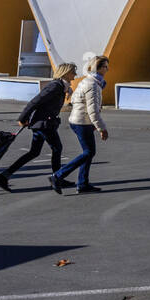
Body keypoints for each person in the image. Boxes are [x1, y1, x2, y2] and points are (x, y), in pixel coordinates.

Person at [0, 63, 76, 191]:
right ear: (65, 73)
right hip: (44, 124)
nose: (75, 75)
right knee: (57, 148)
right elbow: (35, 101)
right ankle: (58, 178)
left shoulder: (62, 87)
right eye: (73, 72)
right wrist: (22, 118)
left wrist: (67, 91)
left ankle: (3, 176)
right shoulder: (55, 86)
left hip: (43, 123)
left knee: (34, 152)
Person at [52, 55, 110, 195]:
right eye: (106, 67)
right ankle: (58, 176)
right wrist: (102, 128)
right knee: (89, 152)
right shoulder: (93, 85)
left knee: (88, 152)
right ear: (99, 68)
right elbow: (93, 111)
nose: (107, 70)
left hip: (80, 120)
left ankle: (82, 183)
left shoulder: (88, 81)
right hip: (82, 122)